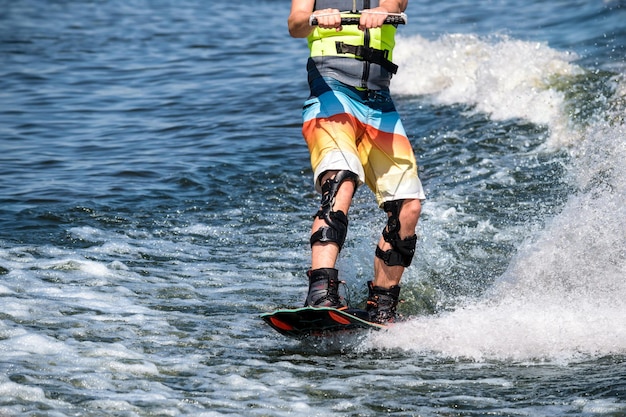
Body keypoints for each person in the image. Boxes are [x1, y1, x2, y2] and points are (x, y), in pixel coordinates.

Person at [288, 0, 425, 323]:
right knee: (341, 178)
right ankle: (321, 289)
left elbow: (395, 4)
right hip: (331, 89)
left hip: (378, 99)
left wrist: (382, 12)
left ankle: (383, 303)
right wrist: (315, 18)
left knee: (408, 206)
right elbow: (295, 24)